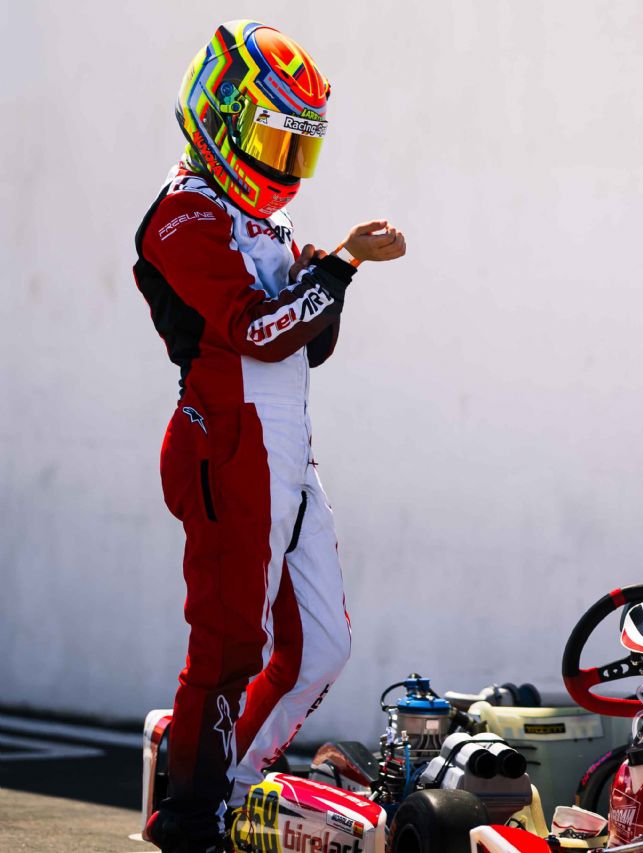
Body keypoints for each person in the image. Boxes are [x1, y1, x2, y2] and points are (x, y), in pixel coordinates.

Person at [133, 20, 406, 852]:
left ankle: (232, 786)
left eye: (298, 146)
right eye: (273, 139)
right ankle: (190, 818)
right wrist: (339, 267)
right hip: (225, 446)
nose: (285, 164)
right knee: (228, 648)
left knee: (323, 645)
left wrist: (326, 273)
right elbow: (258, 330)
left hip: (287, 449)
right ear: (218, 120)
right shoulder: (182, 213)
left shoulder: (266, 223)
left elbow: (307, 342)